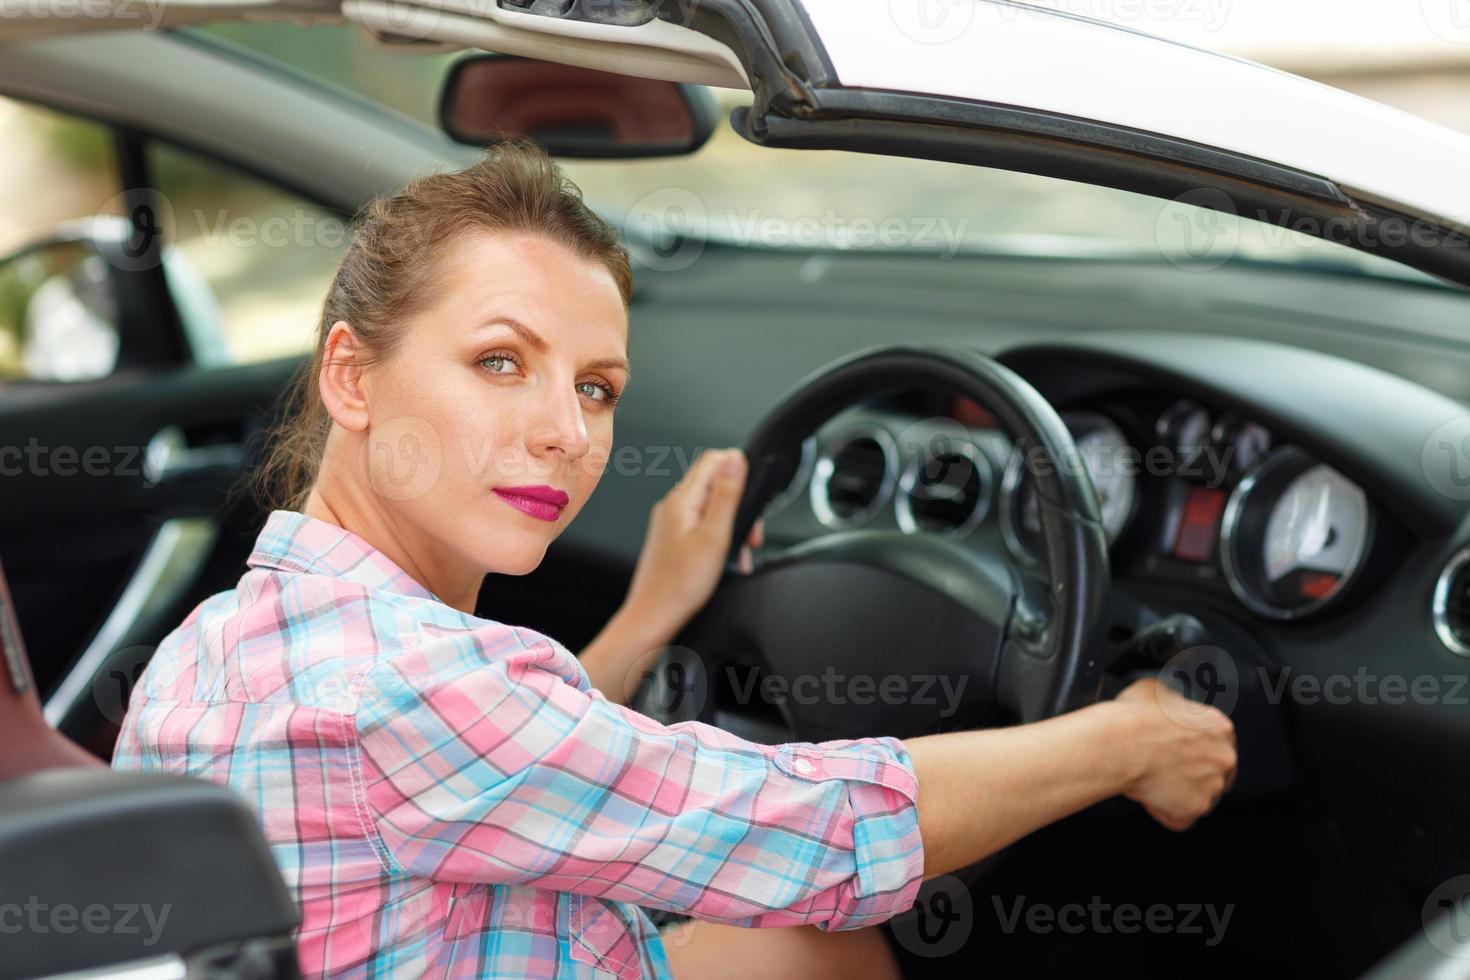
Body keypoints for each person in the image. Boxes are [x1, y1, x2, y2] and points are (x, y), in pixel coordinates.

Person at [112, 139, 1236, 979]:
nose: (567, 429)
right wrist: (1126, 735)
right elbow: (816, 835)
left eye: (596, 386)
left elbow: (512, 772)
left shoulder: (208, 649)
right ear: (351, 377)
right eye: (502, 361)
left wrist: (652, 613)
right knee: (823, 931)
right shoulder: (418, 686)